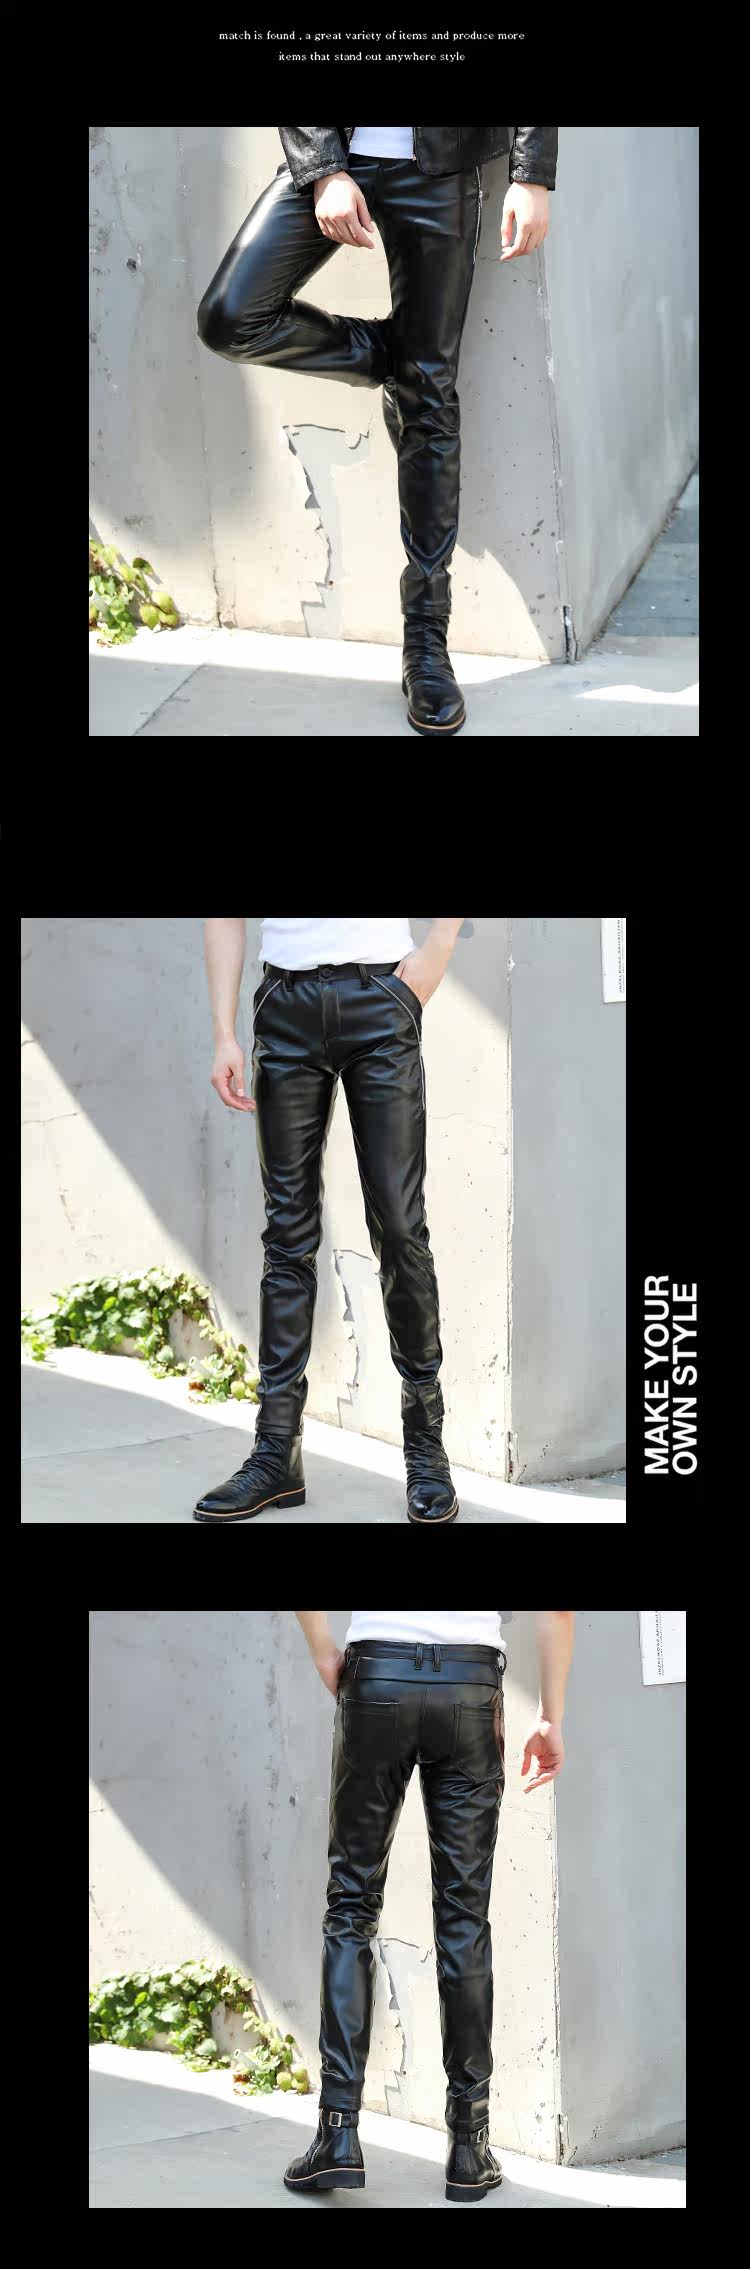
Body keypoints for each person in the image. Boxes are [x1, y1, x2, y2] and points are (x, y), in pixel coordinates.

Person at [197, 127, 558, 737]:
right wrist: (323, 169)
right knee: (231, 318)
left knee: (431, 401)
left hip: (441, 169)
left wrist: (531, 175)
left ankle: (426, 646)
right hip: (335, 157)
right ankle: (403, 366)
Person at [284, 1609, 575, 2202]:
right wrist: (550, 1716)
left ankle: (337, 2135)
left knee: (351, 1907)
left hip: (377, 1676)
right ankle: (469, 2146)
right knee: (464, 1919)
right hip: (470, 1686)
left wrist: (322, 1650)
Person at [194, 917, 466, 1524]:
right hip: (284, 1006)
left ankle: (426, 1446)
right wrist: (224, 1034)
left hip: (381, 998)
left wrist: (440, 945)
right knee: (287, 1236)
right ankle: (276, 1453)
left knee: (400, 1228)